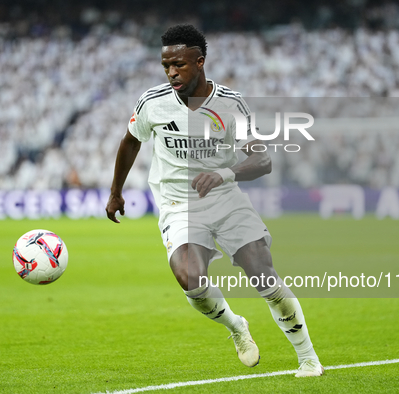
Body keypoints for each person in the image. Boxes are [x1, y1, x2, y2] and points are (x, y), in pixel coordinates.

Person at [105, 24, 323, 377]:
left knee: (262, 272)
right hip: (178, 204)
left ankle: (309, 358)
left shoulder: (230, 104)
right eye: (166, 66)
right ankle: (237, 328)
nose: (171, 72)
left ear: (200, 61)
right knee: (189, 277)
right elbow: (131, 141)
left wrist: (224, 174)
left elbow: (262, 159)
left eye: (179, 64)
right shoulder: (152, 102)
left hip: (225, 199)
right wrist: (115, 192)